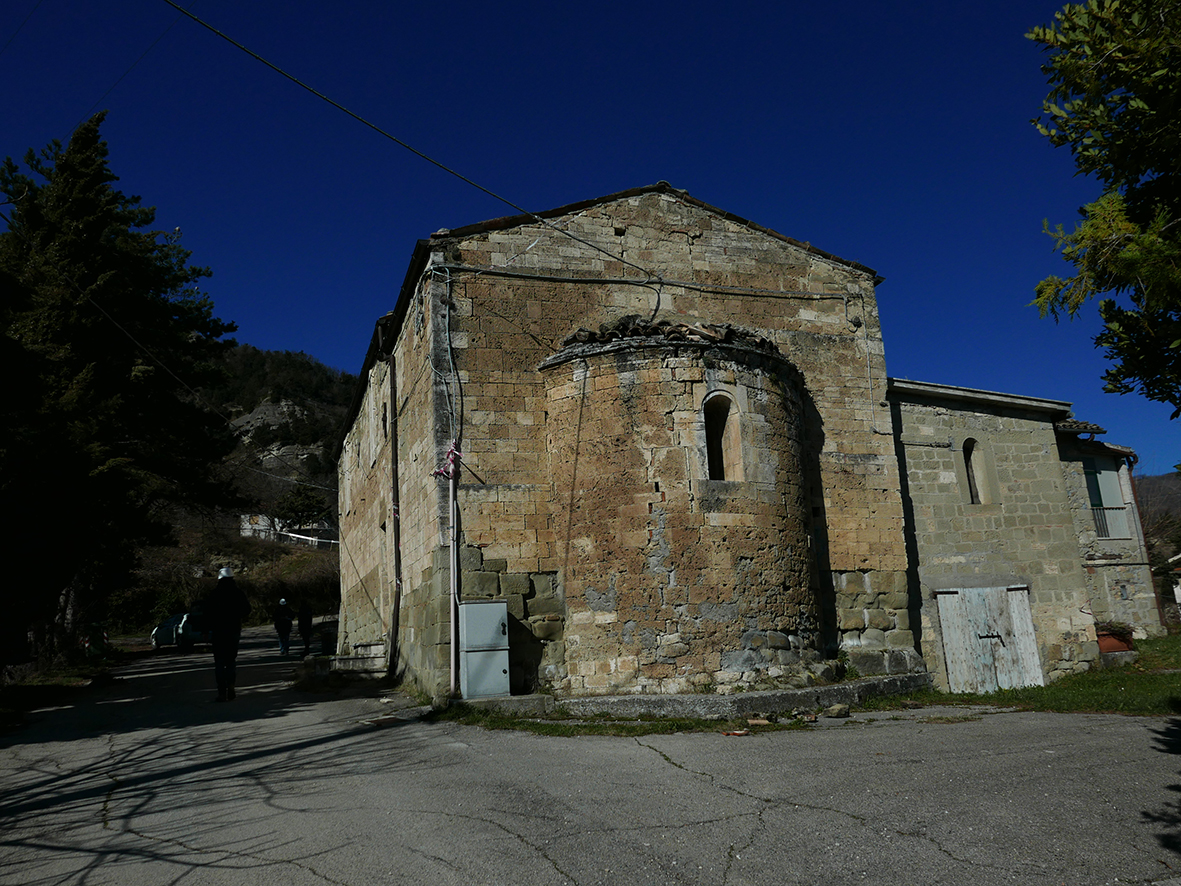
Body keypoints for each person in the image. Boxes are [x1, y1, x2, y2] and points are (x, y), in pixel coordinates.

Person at [207, 567, 251, 702]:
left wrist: (206, 629)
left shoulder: (214, 594)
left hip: (218, 632)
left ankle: (221, 692)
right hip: (233, 630)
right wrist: (237, 616)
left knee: (219, 662)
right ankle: (231, 686)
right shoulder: (238, 593)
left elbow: (207, 613)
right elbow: (247, 609)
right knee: (231, 661)